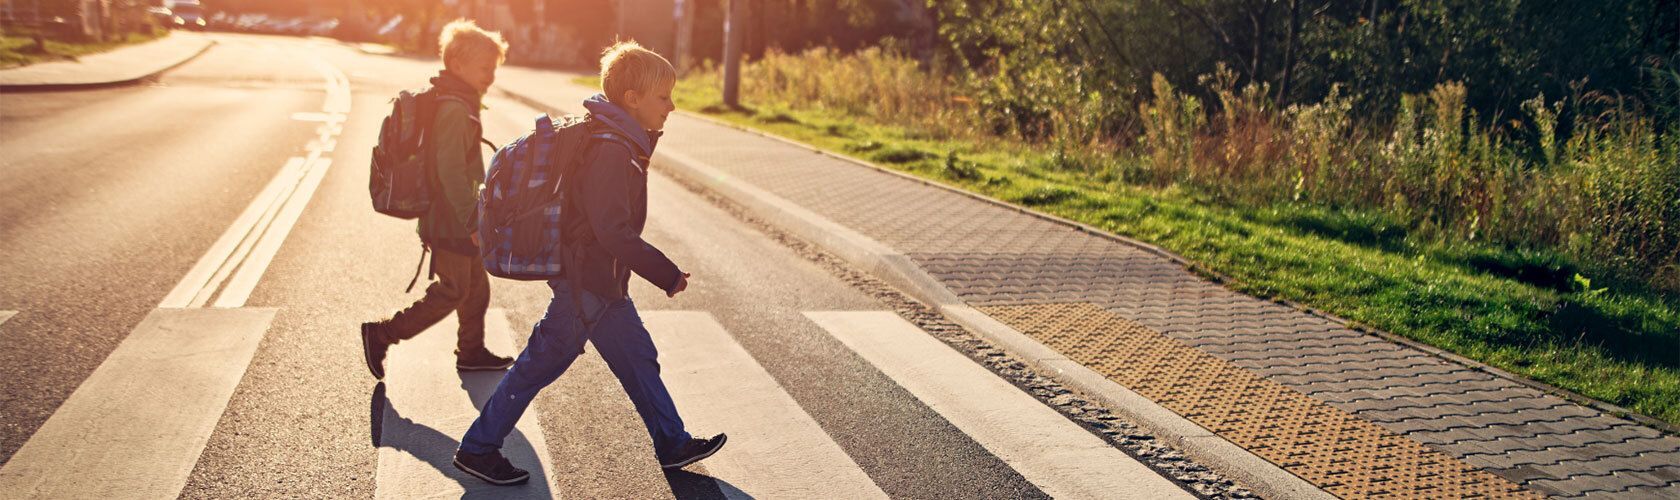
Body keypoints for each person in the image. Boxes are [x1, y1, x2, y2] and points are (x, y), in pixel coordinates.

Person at [450, 41, 726, 486]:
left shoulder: (619, 141)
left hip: (602, 283)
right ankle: (479, 448)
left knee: (638, 359)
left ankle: (673, 442)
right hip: (586, 283)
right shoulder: (612, 150)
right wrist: (667, 274)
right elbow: (612, 230)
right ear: (631, 99)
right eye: (663, 97)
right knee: (538, 365)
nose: (672, 106)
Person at [361, 19, 515, 379]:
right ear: (457, 65)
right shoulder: (455, 110)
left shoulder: (458, 102)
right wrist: (470, 221)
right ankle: (383, 333)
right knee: (452, 290)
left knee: (476, 288)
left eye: (494, 69)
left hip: (457, 214)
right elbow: (449, 172)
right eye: (485, 68)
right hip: (450, 218)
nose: (491, 76)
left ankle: (472, 351)